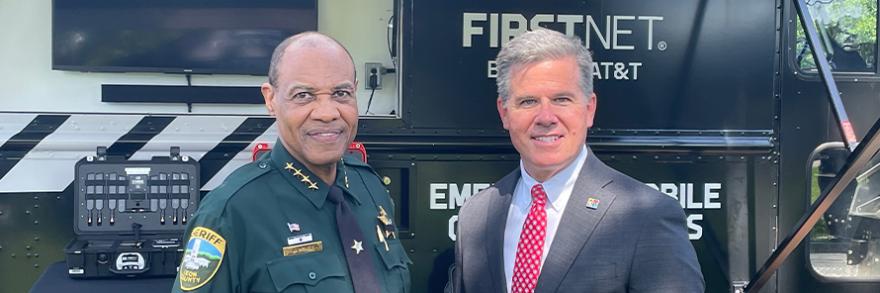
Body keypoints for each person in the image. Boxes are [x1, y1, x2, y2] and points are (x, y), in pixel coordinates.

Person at [452, 29, 704, 293]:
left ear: (589, 109)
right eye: (528, 101)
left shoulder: (647, 216)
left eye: (561, 99)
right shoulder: (476, 216)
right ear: (504, 113)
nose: (546, 117)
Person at [172, 32, 411, 293]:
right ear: (270, 99)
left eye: (341, 93)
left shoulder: (370, 187)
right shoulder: (228, 214)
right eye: (303, 95)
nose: (327, 113)